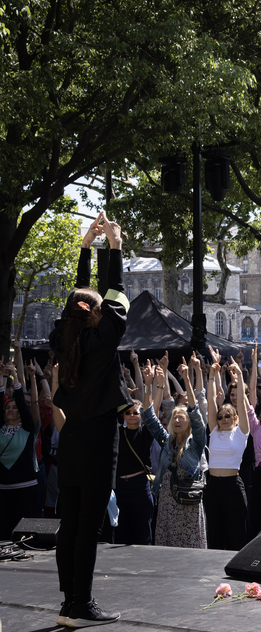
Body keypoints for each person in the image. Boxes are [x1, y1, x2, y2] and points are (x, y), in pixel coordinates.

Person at [48, 213, 131, 627]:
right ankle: (82, 604)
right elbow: (113, 294)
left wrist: (86, 249)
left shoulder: (65, 337)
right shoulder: (102, 340)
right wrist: (113, 247)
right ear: (95, 313)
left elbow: (80, 301)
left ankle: (68, 602)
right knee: (87, 528)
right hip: (99, 438)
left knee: (70, 522)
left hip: (73, 439)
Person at [141, 358, 207, 549]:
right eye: (175, 416)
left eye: (182, 417)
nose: (178, 419)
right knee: (168, 550)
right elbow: (148, 416)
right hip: (168, 504)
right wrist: (148, 385)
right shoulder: (166, 442)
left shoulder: (196, 443)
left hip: (189, 505)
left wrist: (187, 379)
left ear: (188, 422)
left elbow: (196, 414)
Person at [203, 350, 251, 550]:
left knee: (236, 533)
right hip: (212, 486)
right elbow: (211, 403)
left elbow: (240, 402)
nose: (223, 419)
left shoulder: (241, 433)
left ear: (236, 418)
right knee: (214, 533)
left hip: (233, 486)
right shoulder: (214, 431)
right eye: (221, 417)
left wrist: (239, 377)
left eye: (227, 416)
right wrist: (212, 375)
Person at [1, 345, 41, 543]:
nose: (11, 409)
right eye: (8, 407)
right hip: (3, 488)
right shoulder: (0, 429)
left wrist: (15, 378)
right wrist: (2, 379)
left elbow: (26, 406)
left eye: (15, 407)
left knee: (24, 537)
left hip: (25, 486)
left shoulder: (27, 428)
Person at [113, 362, 154, 546]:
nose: (131, 415)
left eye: (135, 413)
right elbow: (110, 413)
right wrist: (124, 397)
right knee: (121, 532)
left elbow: (151, 411)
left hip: (140, 485)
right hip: (120, 486)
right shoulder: (117, 432)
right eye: (128, 412)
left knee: (143, 532)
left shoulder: (145, 432)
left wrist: (148, 384)